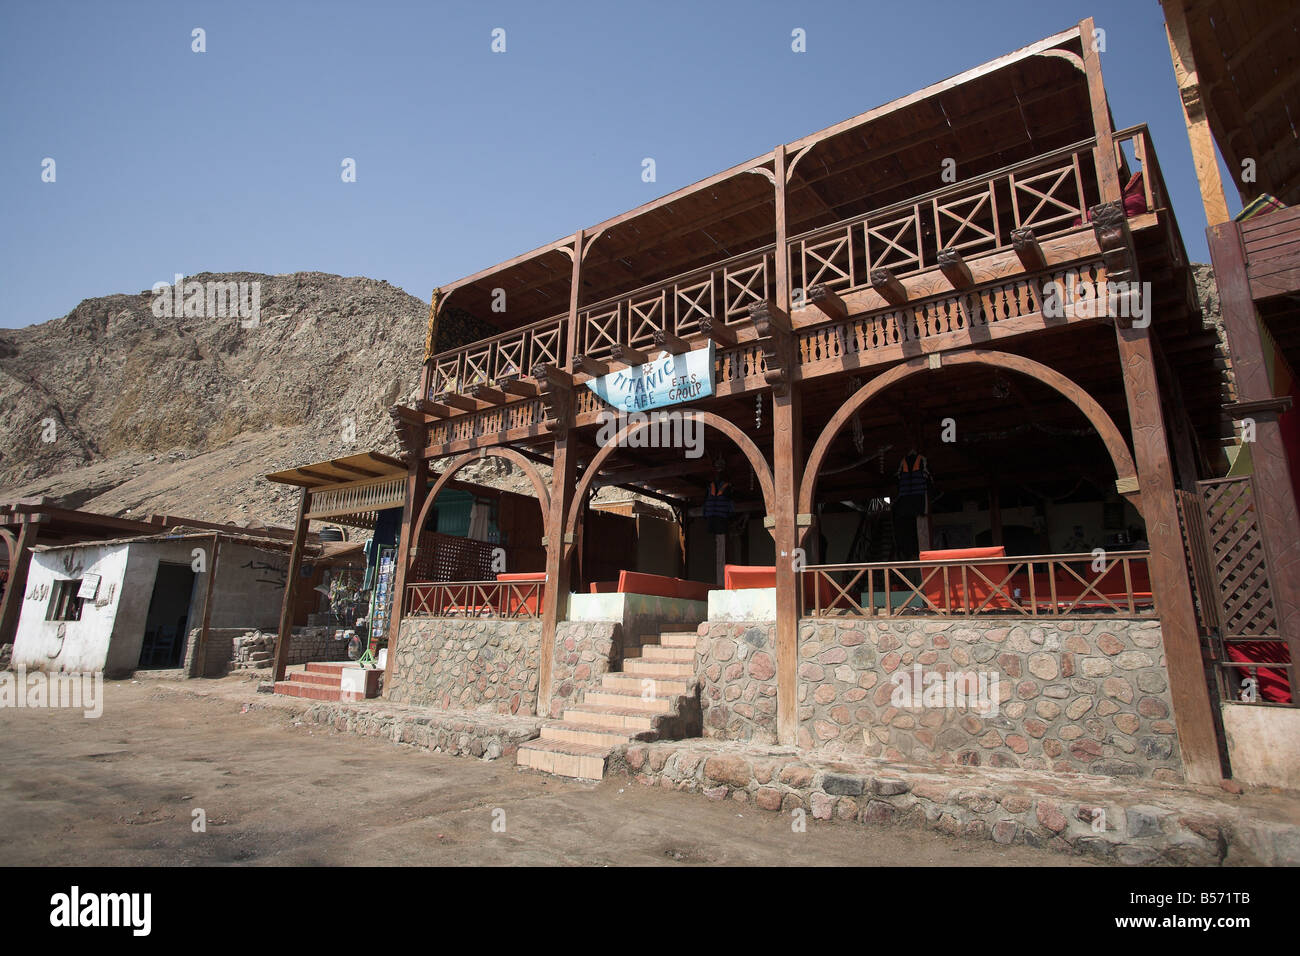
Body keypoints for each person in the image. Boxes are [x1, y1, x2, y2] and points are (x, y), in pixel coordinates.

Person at [893, 447, 931, 561]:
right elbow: (926, 474)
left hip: (906, 496)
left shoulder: (903, 461)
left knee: (912, 522)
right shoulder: (921, 459)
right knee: (916, 521)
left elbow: (898, 476)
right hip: (917, 495)